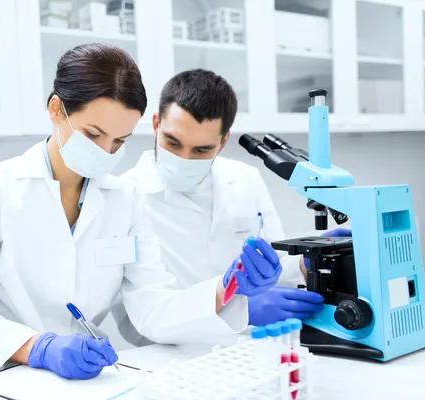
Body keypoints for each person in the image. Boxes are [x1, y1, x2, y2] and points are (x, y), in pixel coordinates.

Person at [0, 46, 283, 385]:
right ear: (57, 109)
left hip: (86, 382)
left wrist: (226, 289)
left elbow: (151, 308)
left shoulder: (124, 200)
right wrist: (38, 347)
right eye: (93, 134)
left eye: (119, 141)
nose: (105, 152)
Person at [120, 69, 334, 332]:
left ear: (222, 142)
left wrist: (307, 261)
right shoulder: (126, 196)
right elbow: (147, 311)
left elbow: (274, 264)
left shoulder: (245, 178)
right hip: (169, 357)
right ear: (156, 124)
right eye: (173, 143)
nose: (184, 159)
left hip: (249, 347)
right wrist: (237, 307)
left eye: (201, 149)